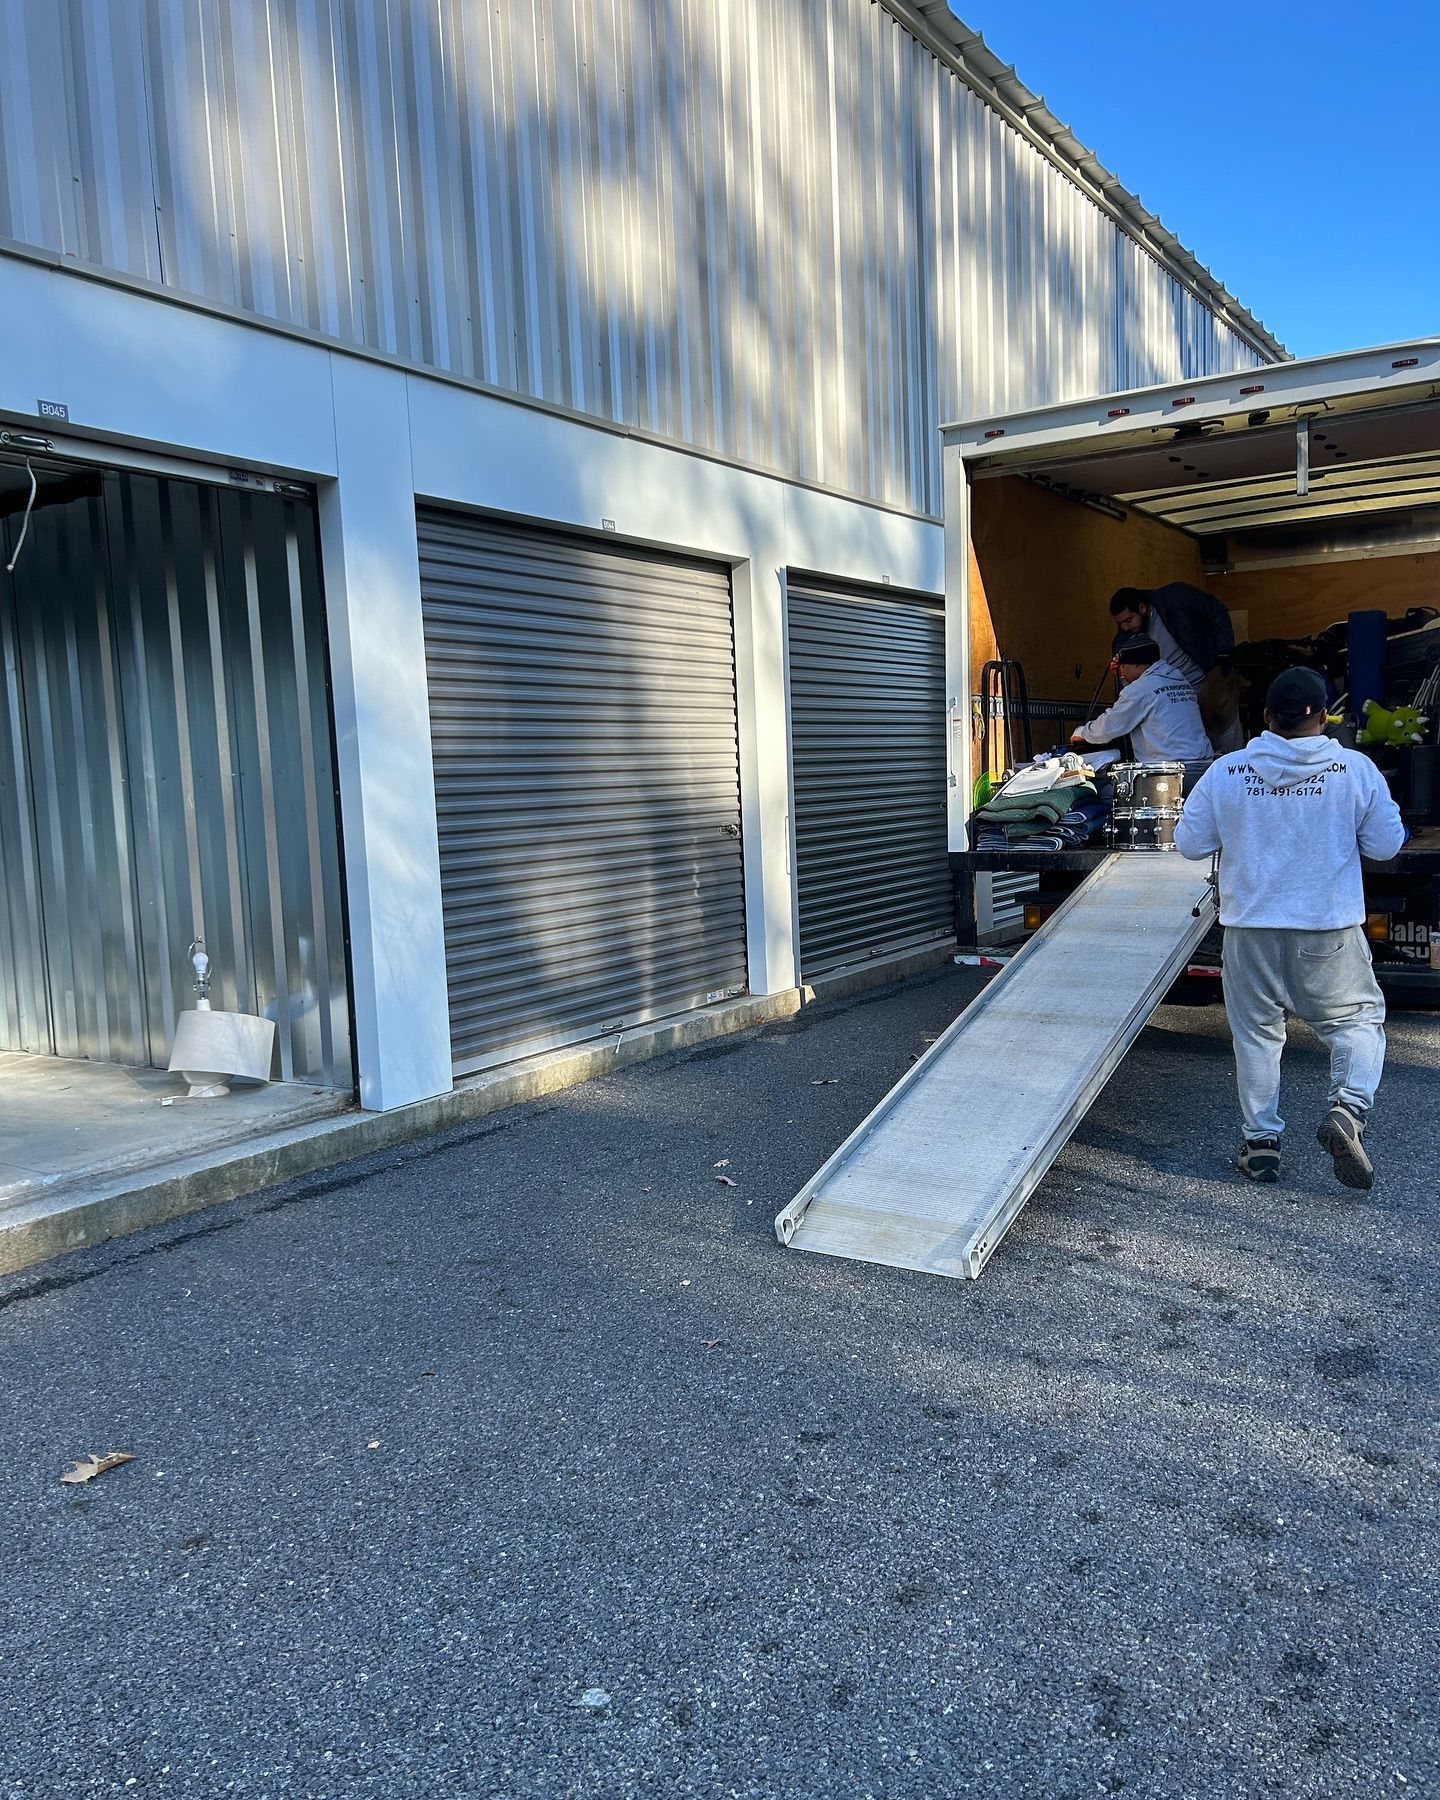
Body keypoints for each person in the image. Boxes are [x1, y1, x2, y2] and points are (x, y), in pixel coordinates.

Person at [1174, 667, 1406, 1191]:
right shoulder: (1355, 770)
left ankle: (1260, 1145)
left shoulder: (1228, 771)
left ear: (1265, 717)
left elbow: (1190, 844)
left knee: (1256, 1035)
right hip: (1327, 928)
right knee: (1357, 1021)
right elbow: (1385, 845)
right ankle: (1347, 1108)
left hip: (1249, 930)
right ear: (1323, 717)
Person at [1110, 584, 1242, 754]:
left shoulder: (1175, 598)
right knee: (1191, 749)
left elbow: (1216, 611)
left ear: (1142, 608)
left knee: (1225, 737)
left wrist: (1223, 655)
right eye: (1119, 623)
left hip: (1208, 678)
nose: (1124, 627)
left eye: (1128, 620)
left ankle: (1234, 769)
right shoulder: (1123, 642)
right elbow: (1131, 691)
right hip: (1172, 698)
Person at [1069, 634, 1211, 764]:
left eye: (1123, 666)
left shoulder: (1141, 689)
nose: (1122, 672)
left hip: (1171, 771)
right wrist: (1123, 681)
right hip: (1202, 765)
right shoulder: (1178, 680)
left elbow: (1110, 726)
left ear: (1136, 664)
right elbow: (1141, 702)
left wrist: (1083, 733)